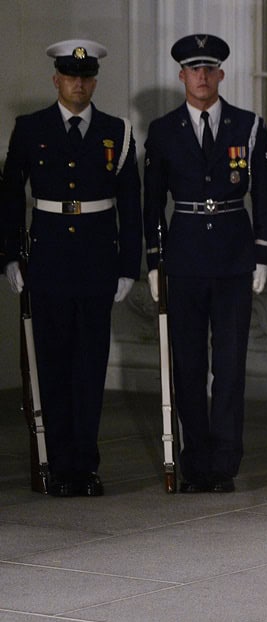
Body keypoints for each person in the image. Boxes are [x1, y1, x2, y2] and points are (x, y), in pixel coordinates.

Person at [1, 39, 141, 497]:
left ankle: (85, 465)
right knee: (53, 365)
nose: (78, 84)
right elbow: (8, 199)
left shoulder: (115, 131)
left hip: (98, 259)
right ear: (56, 79)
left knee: (89, 365)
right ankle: (57, 464)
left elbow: (131, 204)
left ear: (94, 81)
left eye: (85, 77)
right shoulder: (30, 128)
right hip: (49, 259)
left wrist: (128, 266)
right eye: (70, 76)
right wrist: (8, 256)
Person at [143, 34, 267, 494]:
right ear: (182, 76)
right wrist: (154, 260)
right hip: (184, 257)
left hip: (235, 257)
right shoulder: (162, 131)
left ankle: (223, 465)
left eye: (209, 69)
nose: (202, 76)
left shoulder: (248, 125)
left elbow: (265, 194)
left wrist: (262, 253)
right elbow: (152, 199)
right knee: (190, 365)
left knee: (231, 366)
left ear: (221, 74)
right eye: (193, 70)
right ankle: (195, 461)